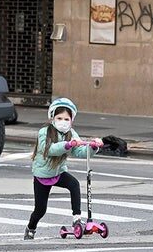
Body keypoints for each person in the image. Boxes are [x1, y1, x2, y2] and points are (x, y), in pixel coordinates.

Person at [24, 98, 101, 240]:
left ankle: (76, 218)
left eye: (67, 119)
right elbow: (49, 150)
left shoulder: (71, 133)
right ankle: (31, 227)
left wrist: (93, 147)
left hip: (58, 172)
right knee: (40, 210)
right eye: (59, 118)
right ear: (52, 117)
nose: (63, 121)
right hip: (42, 175)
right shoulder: (44, 132)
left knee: (74, 184)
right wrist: (67, 145)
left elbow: (80, 151)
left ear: (72, 120)